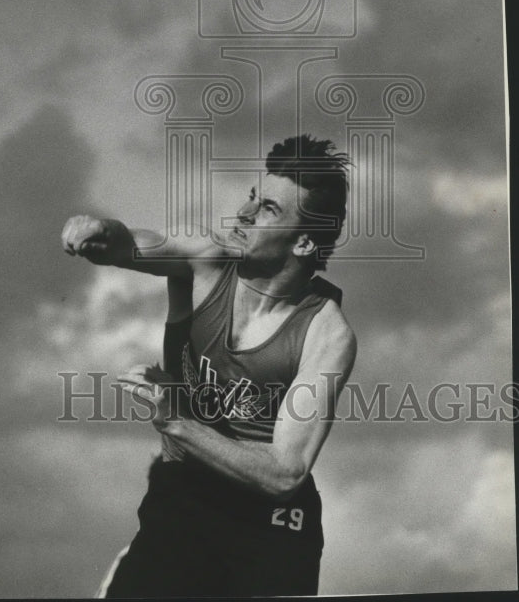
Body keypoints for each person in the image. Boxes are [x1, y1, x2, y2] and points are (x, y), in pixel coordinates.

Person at [62, 134, 356, 598]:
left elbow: (285, 473)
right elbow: (130, 245)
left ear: (303, 242)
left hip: (270, 529)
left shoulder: (326, 334)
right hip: (185, 500)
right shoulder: (207, 263)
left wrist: (178, 422)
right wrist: (98, 230)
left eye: (268, 210)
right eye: (253, 197)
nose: (243, 213)